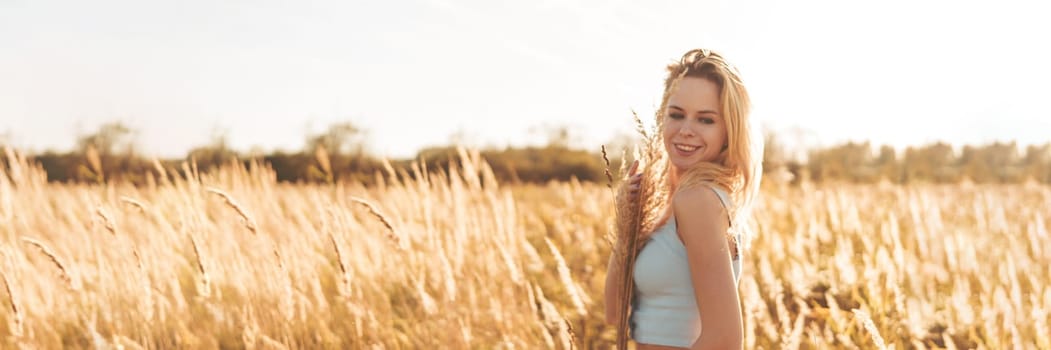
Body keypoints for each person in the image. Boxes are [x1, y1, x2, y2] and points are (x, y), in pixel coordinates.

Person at [604, 48, 763, 350]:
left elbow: (725, 340)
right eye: (676, 115)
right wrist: (626, 224)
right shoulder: (674, 202)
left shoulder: (698, 200)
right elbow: (614, 312)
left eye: (705, 120)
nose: (686, 130)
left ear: (728, 130)